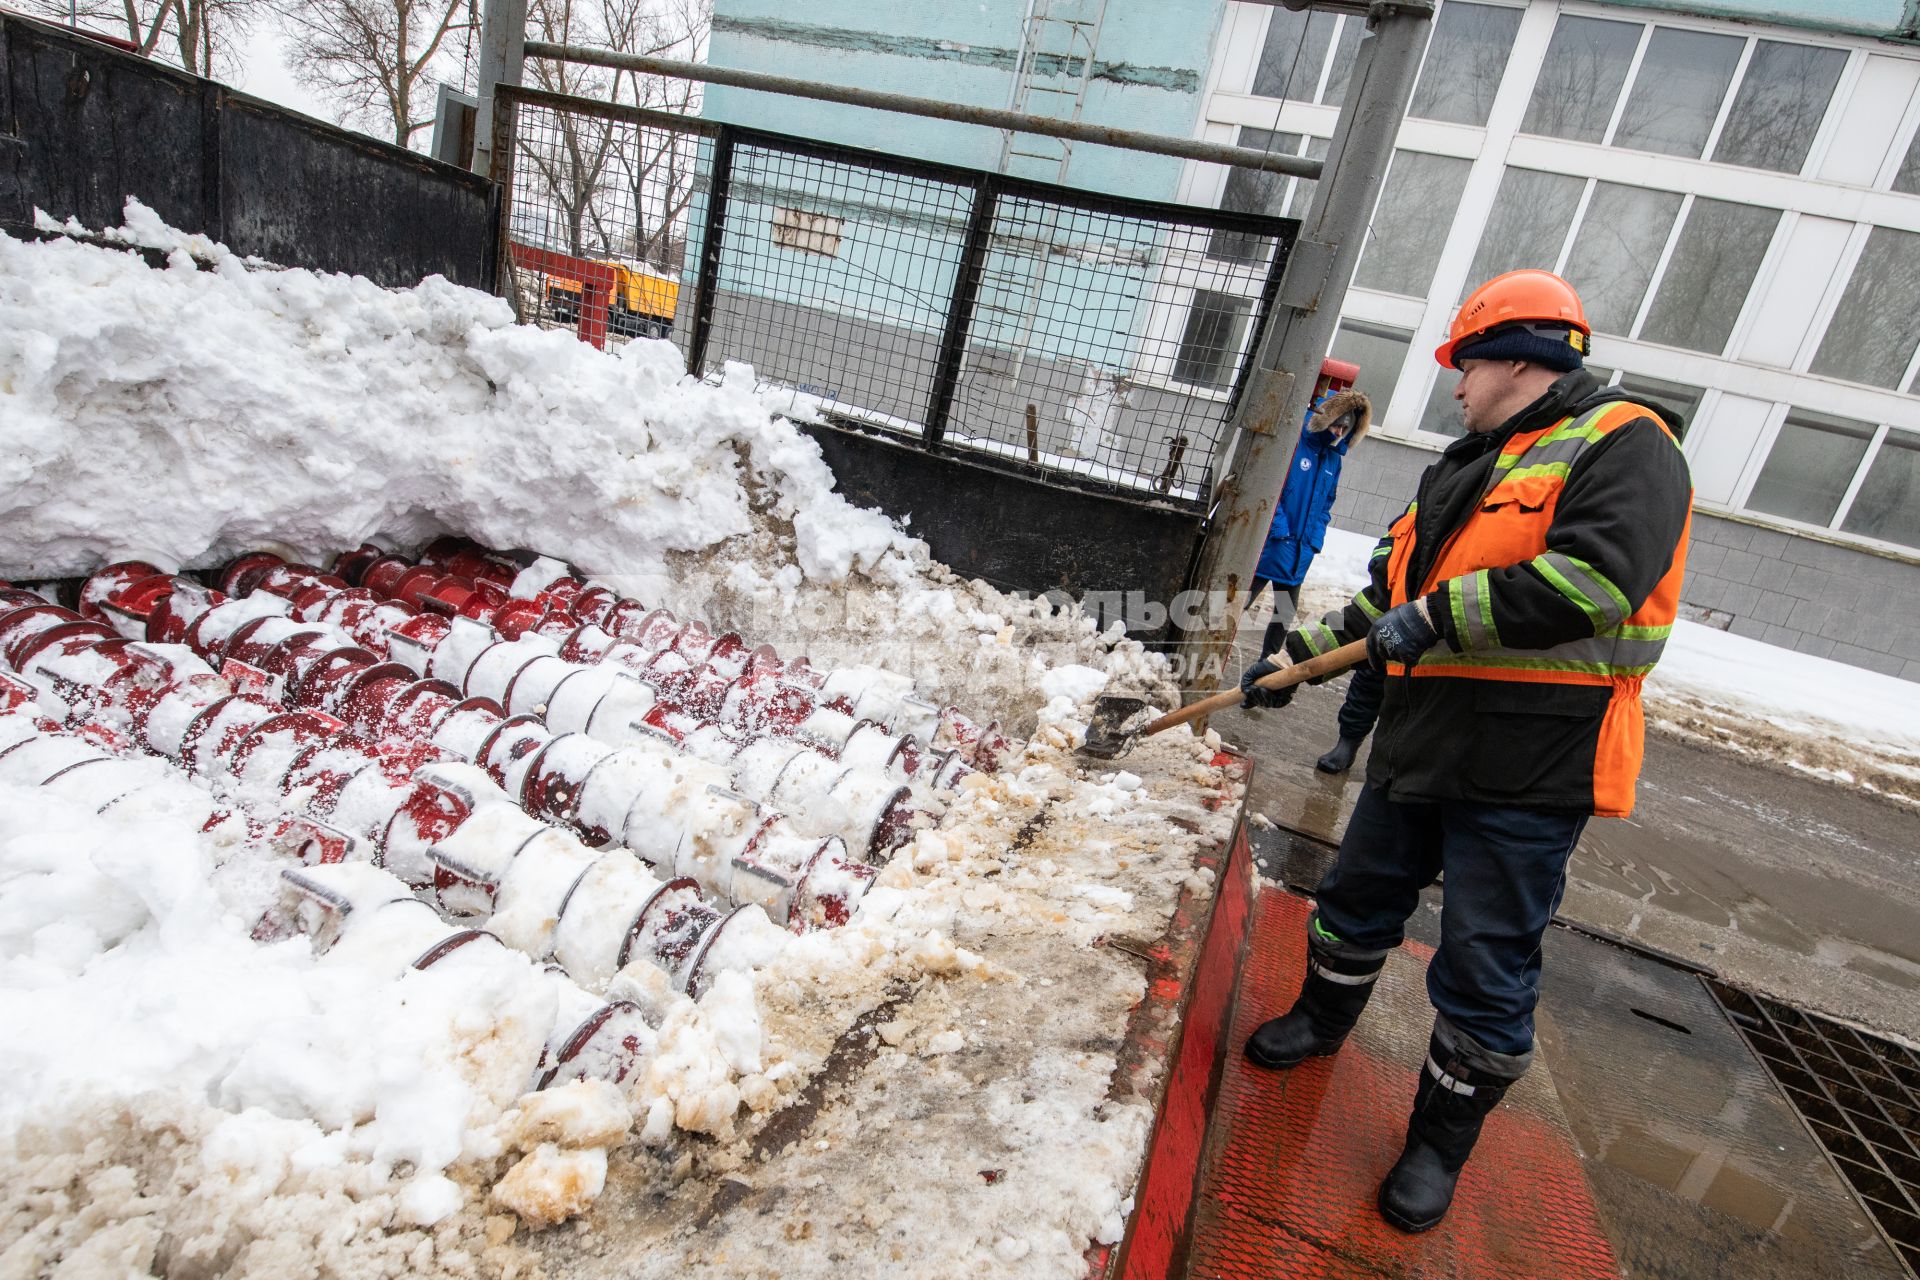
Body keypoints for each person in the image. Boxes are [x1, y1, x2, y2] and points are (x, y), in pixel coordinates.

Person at [1236, 270, 1692, 1233]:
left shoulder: (1626, 443)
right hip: (1418, 746)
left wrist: (1432, 619)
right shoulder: (1462, 467)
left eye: (1464, 363)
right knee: (1355, 903)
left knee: (1487, 962)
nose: (1456, 385)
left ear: (1518, 356)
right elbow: (1387, 605)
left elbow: (1590, 582)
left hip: (1530, 767)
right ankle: (1321, 1020)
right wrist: (1293, 663)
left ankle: (1436, 1146)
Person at [1245, 387, 1370, 667]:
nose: (1339, 433)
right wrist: (1279, 531)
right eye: (1337, 425)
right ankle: (1205, 654)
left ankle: (1264, 675)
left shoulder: (1333, 459)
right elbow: (1271, 488)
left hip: (1300, 552)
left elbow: (1326, 503)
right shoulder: (1295, 443)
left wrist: (1315, 538)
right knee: (1237, 605)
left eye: (1345, 429)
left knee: (1283, 617)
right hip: (1274, 546)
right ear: (1325, 419)